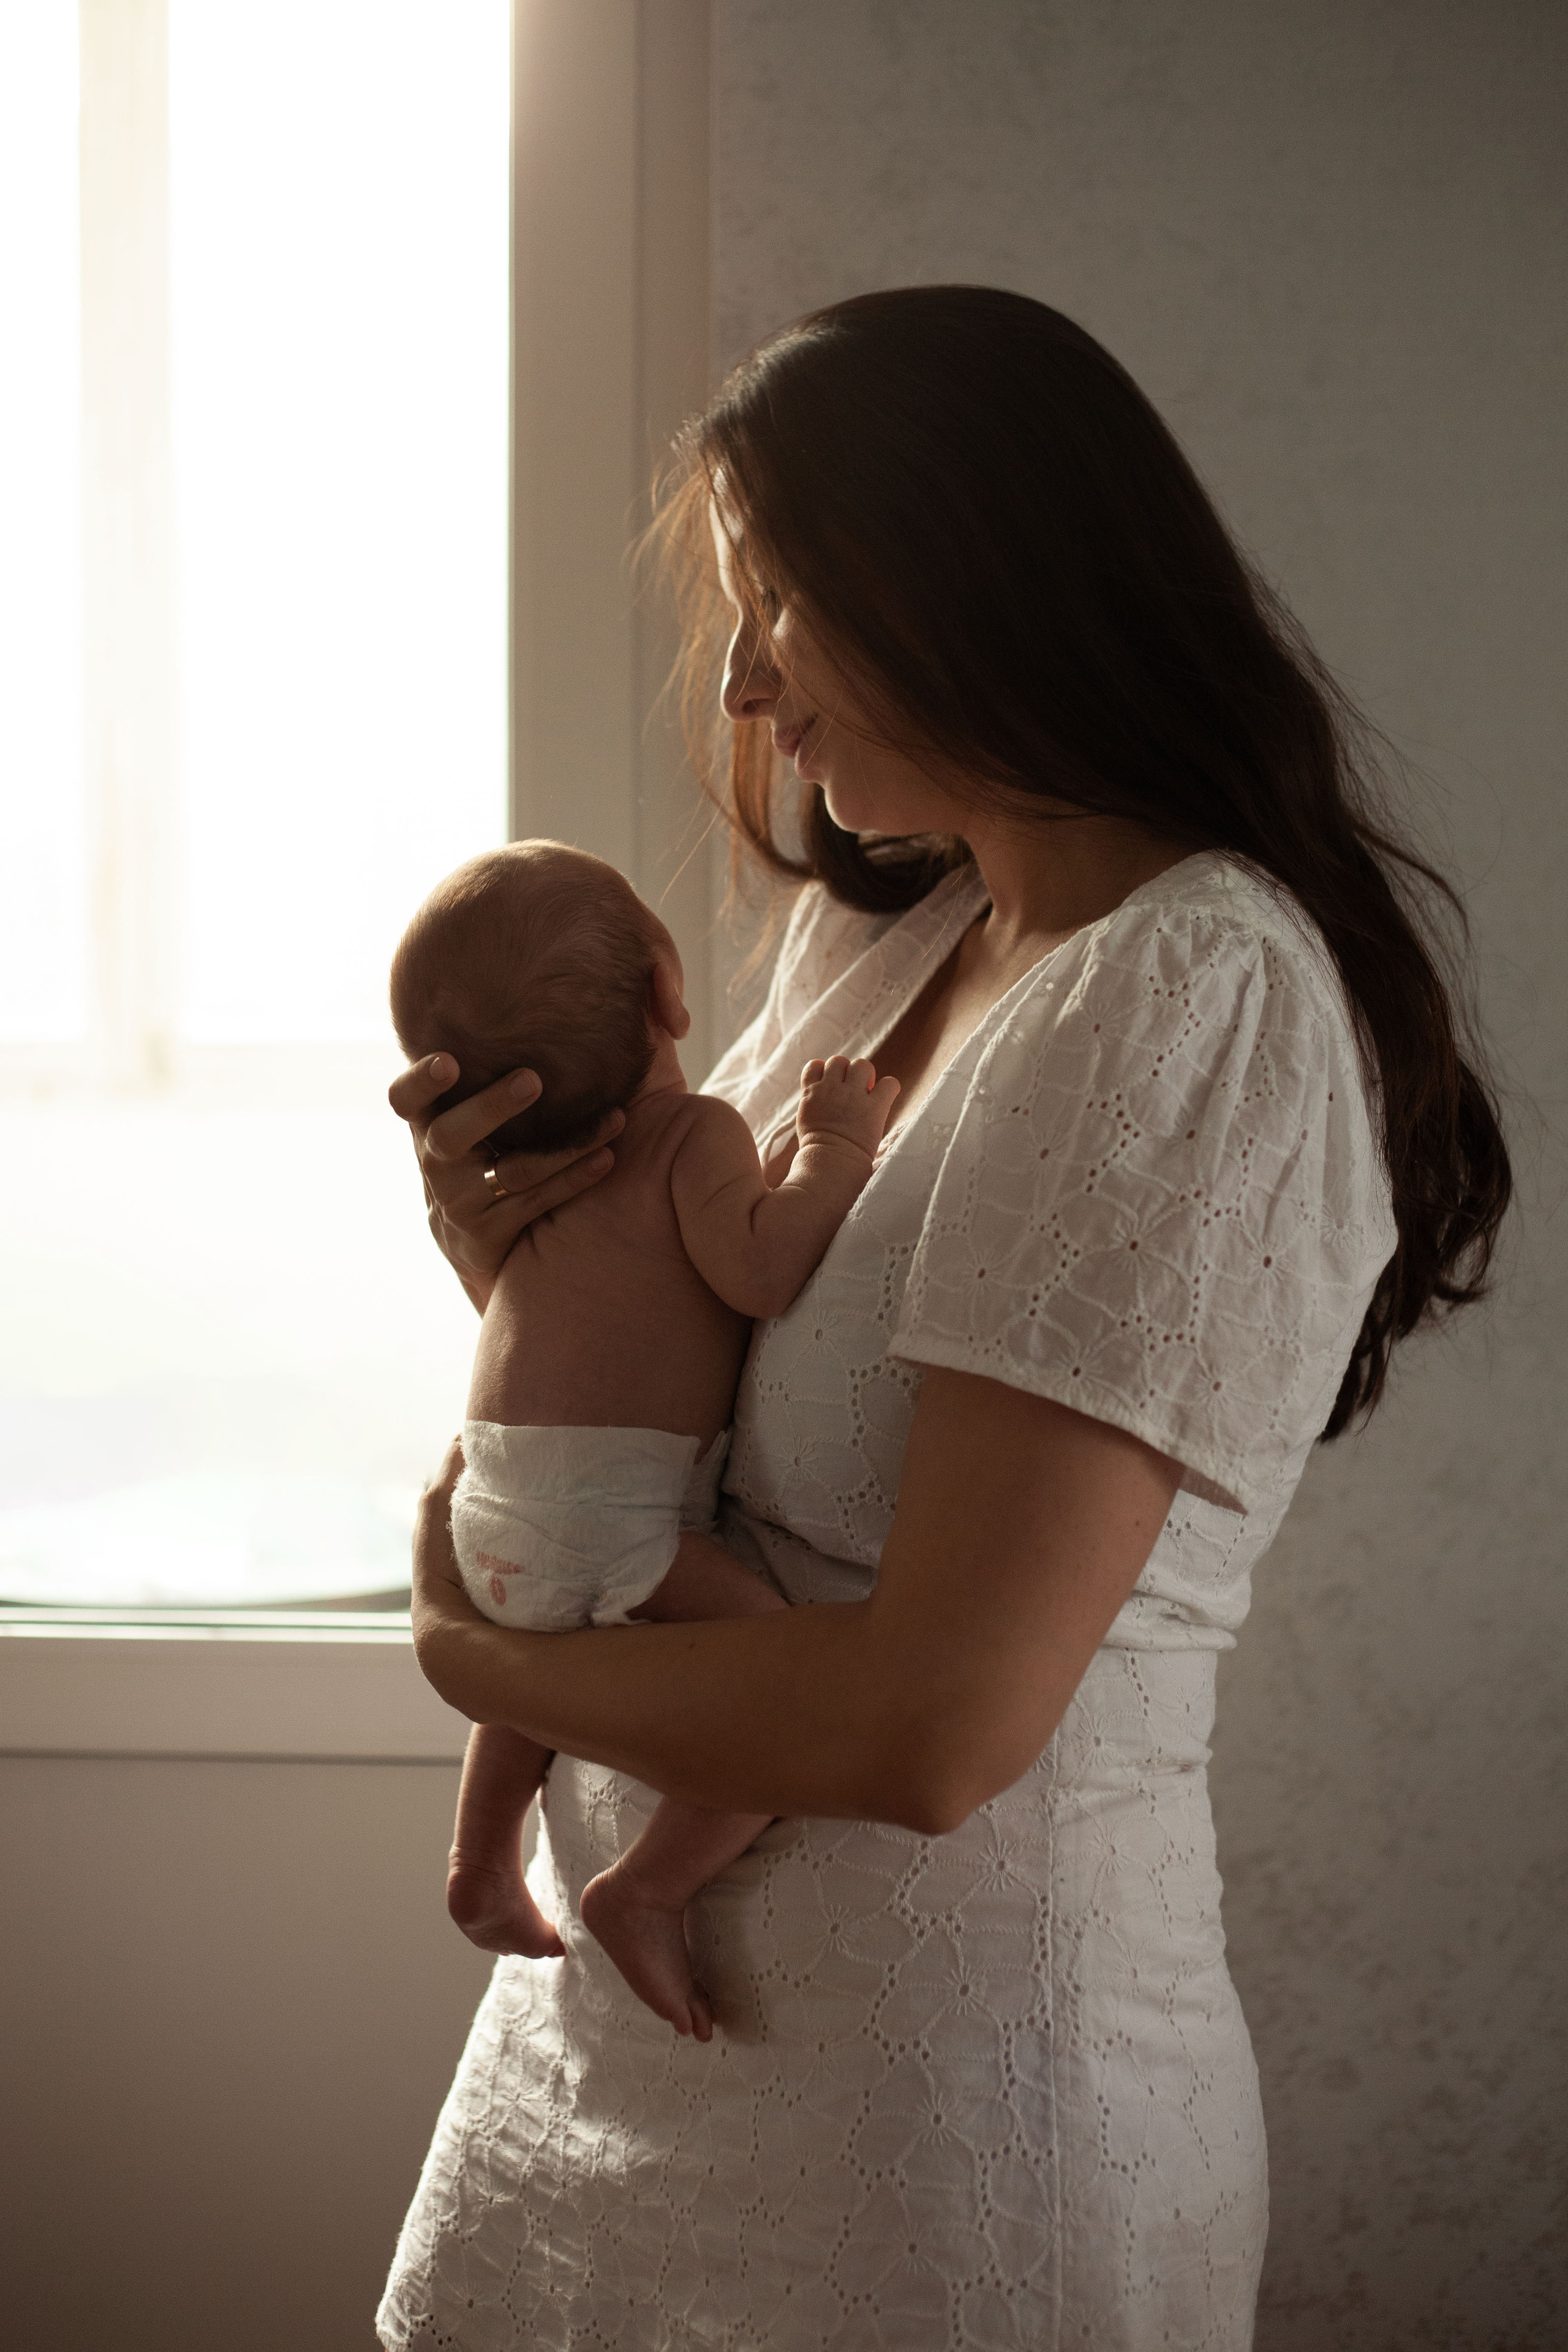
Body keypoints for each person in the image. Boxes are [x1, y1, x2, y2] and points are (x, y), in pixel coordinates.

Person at [376, 287, 1510, 2351]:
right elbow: (734, 1409)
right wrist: (528, 1272)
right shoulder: (884, 937)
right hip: (627, 2054)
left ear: (961, 582)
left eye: (779, 605)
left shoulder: (1189, 989)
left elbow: (932, 1725)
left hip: (933, 2134)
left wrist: (469, 1644)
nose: (742, 685)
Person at [388, 839, 898, 2038]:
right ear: (670, 989)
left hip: (491, 1510)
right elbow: (762, 1270)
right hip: (608, 1519)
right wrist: (832, 1149)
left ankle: (477, 1862)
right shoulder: (692, 1134)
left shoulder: (537, 1182)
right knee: (782, 1683)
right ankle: (649, 1888)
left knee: (532, 1659)